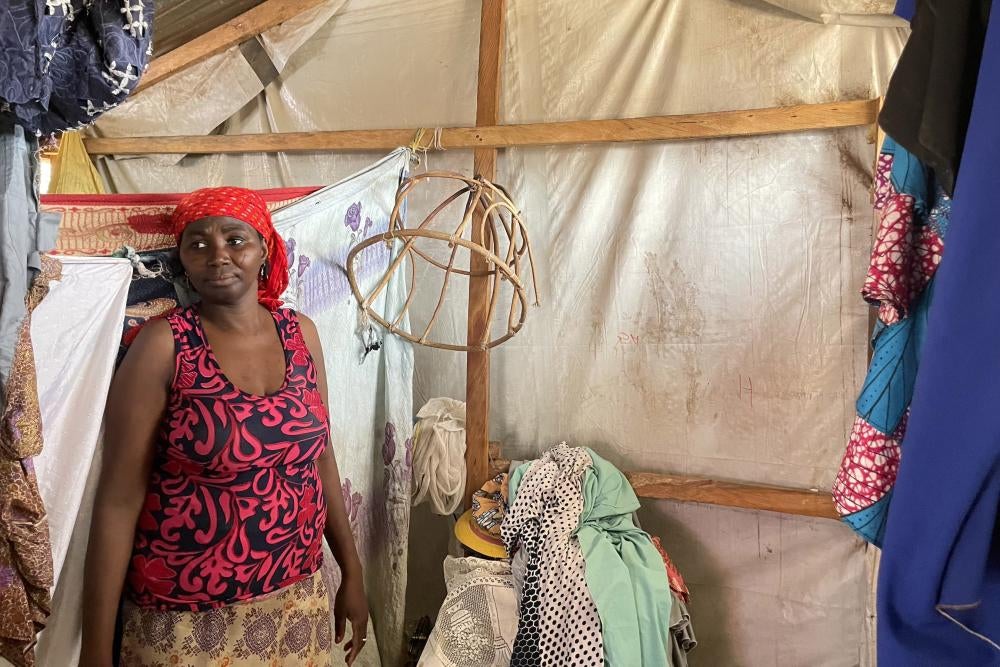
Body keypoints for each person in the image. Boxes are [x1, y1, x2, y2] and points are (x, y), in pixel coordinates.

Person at [79, 186, 369, 666]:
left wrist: (352, 572)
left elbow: (320, 455)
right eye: (198, 244)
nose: (218, 255)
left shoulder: (301, 334)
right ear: (184, 261)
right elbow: (117, 500)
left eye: (236, 239)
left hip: (298, 597)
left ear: (264, 249)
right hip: (185, 618)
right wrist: (94, 649)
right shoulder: (164, 346)